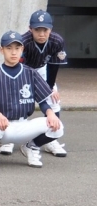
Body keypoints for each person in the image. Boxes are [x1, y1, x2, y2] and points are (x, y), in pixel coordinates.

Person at [0, 31, 64, 168]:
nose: (13, 52)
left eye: (17, 48)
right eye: (9, 48)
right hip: (4, 126)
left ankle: (31, 147)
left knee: (58, 127)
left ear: (22, 49)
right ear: (1, 50)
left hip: (24, 125)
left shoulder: (31, 72)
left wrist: (50, 113)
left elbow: (42, 102)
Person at [18, 10, 67, 157]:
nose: (41, 34)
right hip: (23, 71)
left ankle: (51, 138)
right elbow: (17, 66)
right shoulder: (23, 41)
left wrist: (49, 88)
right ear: (30, 29)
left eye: (45, 30)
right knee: (19, 101)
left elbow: (53, 66)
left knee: (53, 100)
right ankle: (11, 138)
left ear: (50, 29)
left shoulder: (57, 41)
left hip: (42, 69)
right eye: (37, 29)